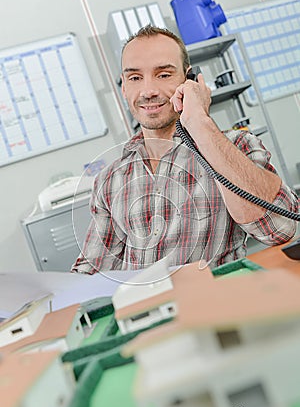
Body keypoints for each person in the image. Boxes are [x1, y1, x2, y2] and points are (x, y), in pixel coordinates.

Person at [72, 25, 298, 274]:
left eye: (164, 75)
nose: (148, 91)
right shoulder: (110, 179)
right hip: (147, 310)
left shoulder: (238, 147)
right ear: (124, 88)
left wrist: (199, 121)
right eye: (135, 78)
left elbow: (280, 229)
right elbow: (92, 269)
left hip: (219, 305)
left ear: (189, 80)